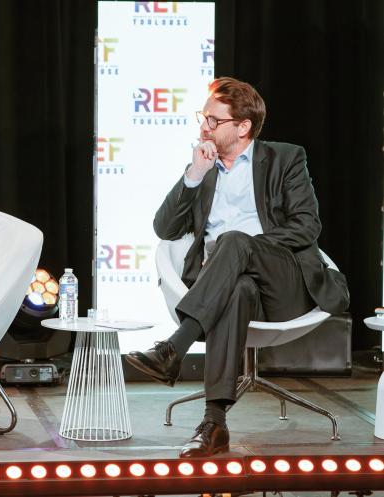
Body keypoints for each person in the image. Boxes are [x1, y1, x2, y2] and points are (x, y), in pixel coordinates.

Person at [126, 77, 349, 458]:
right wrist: (193, 175)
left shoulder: (285, 158)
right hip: (232, 289)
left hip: (283, 284)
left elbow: (307, 225)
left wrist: (244, 248)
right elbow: (165, 229)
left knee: (233, 241)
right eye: (203, 118)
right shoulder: (203, 168)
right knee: (239, 286)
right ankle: (215, 424)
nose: (203, 127)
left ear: (242, 127)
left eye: (213, 121)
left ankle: (173, 348)